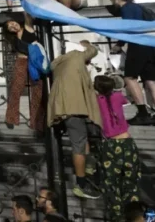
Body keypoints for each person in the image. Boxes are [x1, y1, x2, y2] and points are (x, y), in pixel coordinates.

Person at [48, 40, 102, 199]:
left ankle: (89, 166)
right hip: (74, 109)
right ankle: (81, 184)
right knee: (78, 144)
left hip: (61, 109)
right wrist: (87, 44)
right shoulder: (78, 55)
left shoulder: (59, 63)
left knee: (82, 138)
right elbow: (93, 50)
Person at [109, 0, 155, 127]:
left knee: (129, 78)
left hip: (139, 46)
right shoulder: (140, 8)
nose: (112, 3)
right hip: (152, 48)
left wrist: (119, 44)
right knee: (150, 81)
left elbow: (131, 28)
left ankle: (143, 114)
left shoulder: (127, 8)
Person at [94, 75, 142, 222]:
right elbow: (127, 100)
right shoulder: (118, 96)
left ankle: (116, 215)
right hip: (126, 142)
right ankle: (135, 214)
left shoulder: (96, 101)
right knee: (131, 181)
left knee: (110, 183)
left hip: (110, 145)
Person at [2, 12, 44, 133]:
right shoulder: (13, 38)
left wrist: (24, 0)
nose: (13, 26)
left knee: (37, 91)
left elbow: (28, 16)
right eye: (10, 27)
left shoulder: (27, 28)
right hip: (21, 61)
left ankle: (37, 122)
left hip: (34, 63)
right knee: (16, 88)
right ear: (9, 31)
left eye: (13, 23)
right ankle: (11, 118)